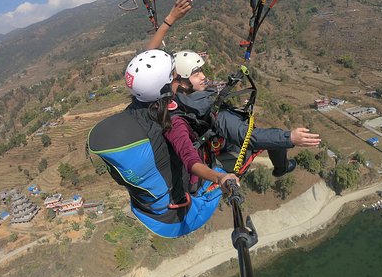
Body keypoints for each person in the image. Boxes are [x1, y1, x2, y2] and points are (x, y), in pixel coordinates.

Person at [87, 49, 237, 238]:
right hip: (181, 216)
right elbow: (191, 161)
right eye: (175, 78)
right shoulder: (171, 122)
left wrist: (169, 22)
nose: (178, 79)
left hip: (150, 212)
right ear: (165, 88)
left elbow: (144, 72)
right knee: (230, 165)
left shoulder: (138, 105)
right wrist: (219, 178)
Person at [173, 50, 321, 176]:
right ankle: (281, 168)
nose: (203, 76)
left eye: (201, 72)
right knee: (276, 136)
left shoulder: (177, 101)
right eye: (196, 74)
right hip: (228, 150)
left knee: (272, 136)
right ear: (183, 82)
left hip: (213, 143)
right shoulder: (211, 110)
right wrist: (290, 138)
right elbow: (247, 137)